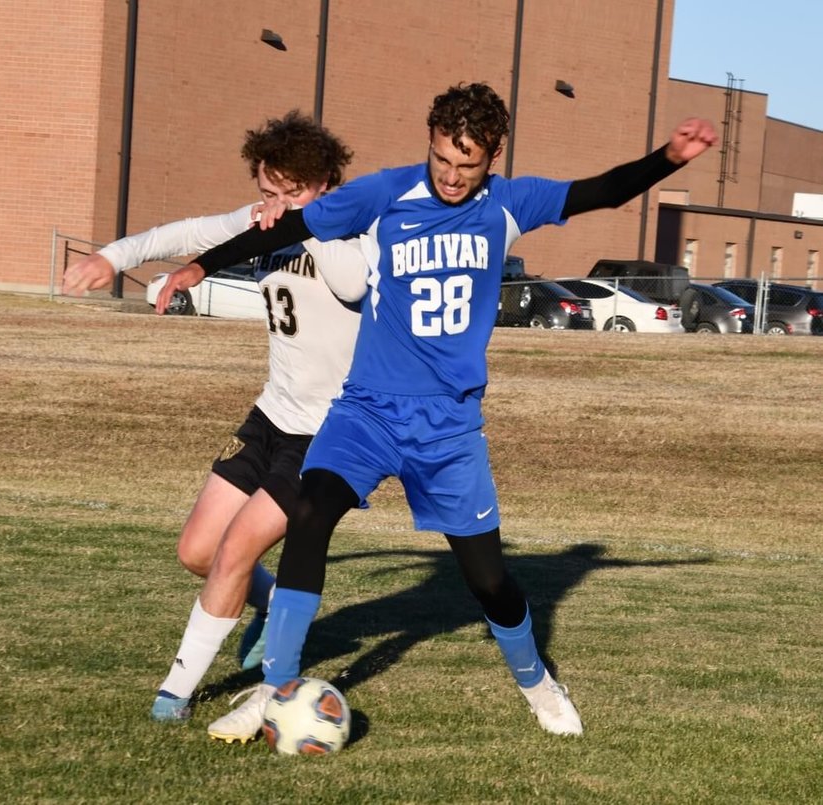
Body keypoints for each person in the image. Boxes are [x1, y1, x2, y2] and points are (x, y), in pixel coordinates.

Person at [156, 83, 718, 741]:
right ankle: (276, 686)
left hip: (448, 429)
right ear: (429, 141)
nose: (451, 176)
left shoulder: (510, 202)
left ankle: (537, 681)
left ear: (493, 156)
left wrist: (668, 159)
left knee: (489, 580)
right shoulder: (386, 191)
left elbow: (603, 191)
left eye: (467, 164)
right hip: (365, 412)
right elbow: (292, 224)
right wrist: (198, 267)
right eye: (442, 159)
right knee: (309, 513)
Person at [63, 111, 368, 721]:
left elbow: (354, 284)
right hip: (271, 415)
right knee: (198, 552)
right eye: (267, 192)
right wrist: (111, 257)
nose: (275, 207)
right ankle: (274, 599)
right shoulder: (263, 220)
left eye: (292, 193)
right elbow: (185, 233)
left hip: (331, 433)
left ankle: (174, 695)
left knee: (233, 553)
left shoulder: (356, 232)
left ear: (325, 185)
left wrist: (308, 222)